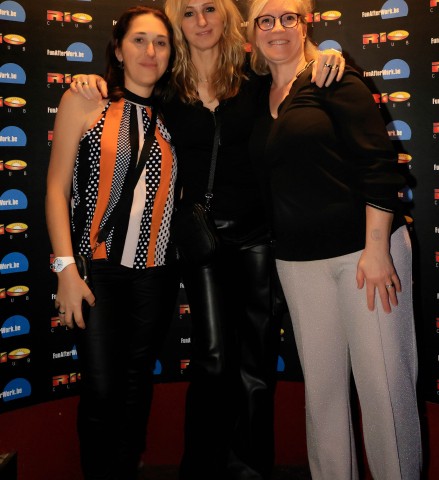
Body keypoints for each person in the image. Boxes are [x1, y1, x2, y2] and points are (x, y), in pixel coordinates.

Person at [70, 1, 344, 478]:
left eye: (210, 8)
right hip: (201, 243)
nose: (201, 21)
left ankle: (250, 468)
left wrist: (322, 54)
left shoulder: (254, 77)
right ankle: (200, 468)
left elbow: (293, 62)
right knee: (214, 358)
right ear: (178, 22)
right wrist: (88, 81)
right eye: (189, 12)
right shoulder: (165, 88)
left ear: (227, 16)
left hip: (260, 237)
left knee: (257, 364)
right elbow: (123, 93)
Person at [246, 0, 423, 479]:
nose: (277, 28)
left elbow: (378, 164)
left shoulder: (333, 77)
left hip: (364, 255)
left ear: (305, 24)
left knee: (385, 393)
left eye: (289, 17)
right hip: (297, 264)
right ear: (252, 31)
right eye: (266, 19)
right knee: (322, 398)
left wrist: (377, 250)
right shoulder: (254, 94)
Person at [45, 7, 180, 479]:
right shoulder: (85, 101)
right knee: (101, 391)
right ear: (118, 50)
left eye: (161, 42)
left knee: (135, 390)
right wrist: (65, 268)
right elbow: (56, 190)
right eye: (139, 40)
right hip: (96, 272)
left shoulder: (173, 115)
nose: (150, 51)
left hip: (157, 277)